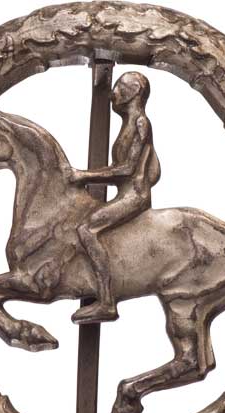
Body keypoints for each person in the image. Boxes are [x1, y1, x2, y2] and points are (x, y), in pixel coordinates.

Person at [70, 71, 161, 324]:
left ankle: (107, 301)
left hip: (134, 196)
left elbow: (128, 169)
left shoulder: (140, 123)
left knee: (87, 229)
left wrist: (85, 175)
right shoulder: (129, 123)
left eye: (120, 88)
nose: (113, 94)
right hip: (126, 192)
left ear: (134, 92)